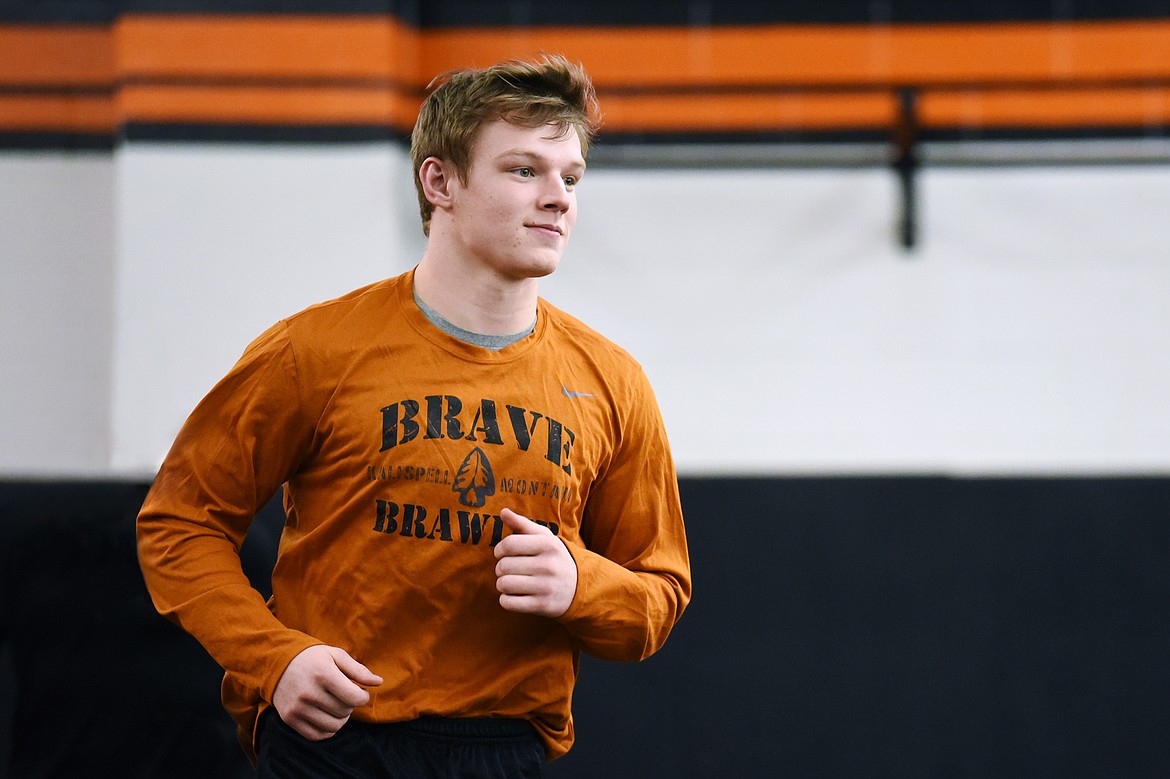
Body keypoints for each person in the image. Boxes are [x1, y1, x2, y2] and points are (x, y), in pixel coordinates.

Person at [136, 54, 691, 778]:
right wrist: (275, 657)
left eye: (571, 176)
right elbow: (180, 522)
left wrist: (581, 584)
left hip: (501, 748)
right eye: (525, 170)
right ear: (441, 182)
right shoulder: (314, 351)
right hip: (329, 744)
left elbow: (659, 593)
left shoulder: (612, 382)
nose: (559, 197)